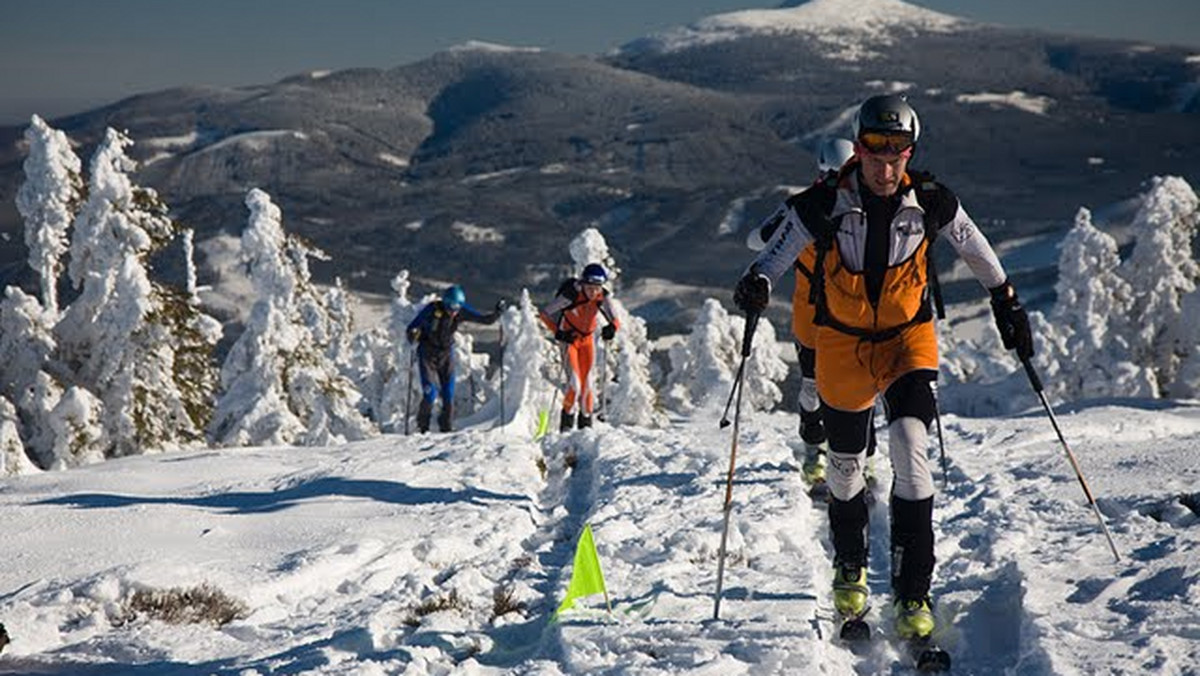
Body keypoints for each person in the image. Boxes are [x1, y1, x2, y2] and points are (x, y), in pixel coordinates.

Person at [733, 95, 1033, 641]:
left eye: (897, 153)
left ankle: (914, 592)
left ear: (909, 152)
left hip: (906, 341)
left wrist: (1005, 300)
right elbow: (774, 254)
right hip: (842, 346)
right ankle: (850, 568)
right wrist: (757, 282)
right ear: (860, 146)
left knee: (910, 451)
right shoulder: (824, 202)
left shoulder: (933, 200)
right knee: (846, 470)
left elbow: (975, 247)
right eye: (875, 150)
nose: (885, 164)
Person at [746, 137, 864, 490]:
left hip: (851, 311)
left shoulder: (868, 205)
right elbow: (756, 240)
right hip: (812, 311)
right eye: (833, 174)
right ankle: (815, 452)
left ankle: (861, 458)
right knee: (813, 385)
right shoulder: (801, 206)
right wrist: (776, 229)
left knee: (858, 388)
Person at [406, 285, 507, 433]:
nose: (455, 311)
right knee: (430, 393)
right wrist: (413, 335)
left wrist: (497, 313)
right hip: (427, 354)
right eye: (452, 306)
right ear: (446, 302)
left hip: (446, 355)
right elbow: (411, 328)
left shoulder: (460, 311)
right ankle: (423, 428)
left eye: (458, 307)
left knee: (448, 394)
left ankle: (445, 428)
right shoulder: (432, 310)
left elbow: (484, 320)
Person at [540, 263, 621, 432]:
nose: (593, 292)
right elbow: (545, 313)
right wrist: (559, 333)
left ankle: (585, 429)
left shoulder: (602, 296)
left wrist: (611, 328)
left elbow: (615, 319)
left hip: (587, 341)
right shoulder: (570, 295)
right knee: (574, 385)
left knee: (587, 386)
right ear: (583, 284)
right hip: (569, 341)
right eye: (589, 287)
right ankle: (566, 425)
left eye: (596, 288)